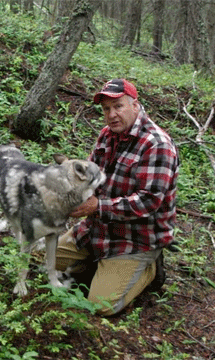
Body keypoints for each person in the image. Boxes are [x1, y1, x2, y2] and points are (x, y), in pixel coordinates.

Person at [55, 78, 179, 316]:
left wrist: (96, 206)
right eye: (106, 109)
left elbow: (149, 201)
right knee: (41, 258)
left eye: (118, 106)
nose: (112, 114)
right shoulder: (107, 135)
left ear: (135, 105)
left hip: (135, 240)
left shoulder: (157, 145)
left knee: (101, 306)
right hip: (97, 230)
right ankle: (94, 264)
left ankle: (149, 269)